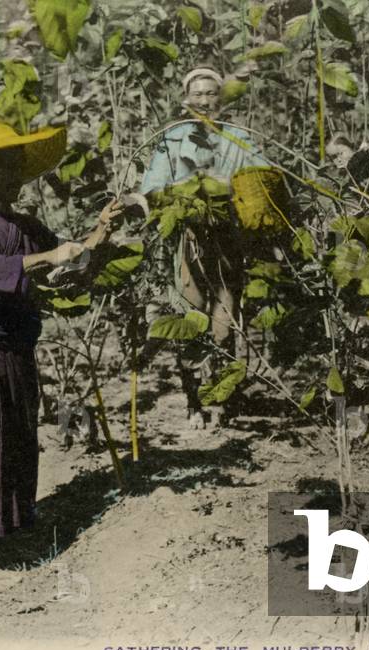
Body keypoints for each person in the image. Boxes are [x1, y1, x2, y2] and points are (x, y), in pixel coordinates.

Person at [0, 117, 119, 584]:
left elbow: (63, 262)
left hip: (18, 344)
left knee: (18, 438)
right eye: (8, 167)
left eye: (19, 167)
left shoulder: (23, 225)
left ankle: (10, 533)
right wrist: (49, 258)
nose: (18, 178)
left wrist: (100, 232)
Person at [140, 65, 267, 429]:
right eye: (197, 95)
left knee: (225, 324)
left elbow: (262, 178)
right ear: (186, 100)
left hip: (228, 240)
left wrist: (229, 186)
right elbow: (153, 186)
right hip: (189, 240)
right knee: (190, 319)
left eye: (211, 94)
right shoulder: (173, 138)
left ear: (221, 101)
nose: (205, 101)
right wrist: (188, 190)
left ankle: (222, 402)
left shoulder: (239, 137)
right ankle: (194, 403)